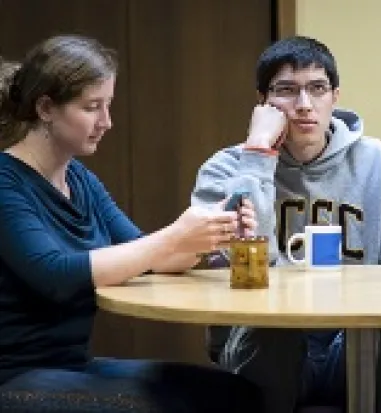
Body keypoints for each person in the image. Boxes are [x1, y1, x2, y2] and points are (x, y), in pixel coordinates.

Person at [0, 36, 263, 412]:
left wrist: (209, 233)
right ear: (45, 108)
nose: (106, 122)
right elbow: (54, 275)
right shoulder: (6, 180)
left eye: (108, 105)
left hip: (72, 367)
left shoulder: (80, 180)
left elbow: (150, 257)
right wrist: (174, 237)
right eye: (92, 107)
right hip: (15, 377)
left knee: (239, 394)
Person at [191, 36, 381, 413]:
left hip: (352, 338)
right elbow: (242, 264)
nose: (303, 105)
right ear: (262, 102)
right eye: (286, 91)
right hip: (261, 339)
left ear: (335, 96)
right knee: (273, 327)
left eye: (317, 89)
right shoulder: (225, 170)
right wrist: (258, 153)